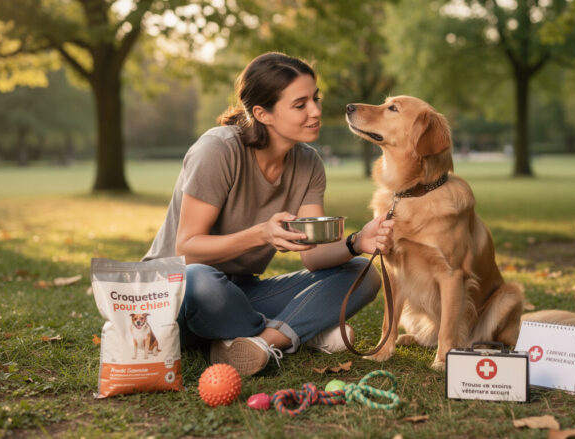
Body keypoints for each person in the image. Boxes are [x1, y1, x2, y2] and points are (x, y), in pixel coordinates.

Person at [143, 52, 394, 376]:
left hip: (242, 294)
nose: (316, 111)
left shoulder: (308, 163)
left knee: (364, 272)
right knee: (202, 281)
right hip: (177, 291)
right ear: (263, 113)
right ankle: (299, 331)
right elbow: (187, 250)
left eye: (315, 99)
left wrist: (357, 241)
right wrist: (261, 234)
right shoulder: (218, 150)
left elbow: (314, 257)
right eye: (300, 104)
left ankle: (261, 341)